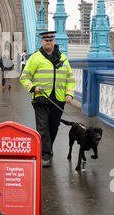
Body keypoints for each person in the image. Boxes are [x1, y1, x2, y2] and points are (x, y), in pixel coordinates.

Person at [20, 31, 75, 167]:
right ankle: (45, 153)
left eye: (51, 40)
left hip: (59, 99)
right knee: (43, 126)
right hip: (41, 98)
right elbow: (24, 77)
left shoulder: (63, 58)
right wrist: (33, 88)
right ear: (42, 42)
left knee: (54, 126)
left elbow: (70, 79)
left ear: (54, 41)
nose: (48, 43)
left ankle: (48, 147)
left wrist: (69, 93)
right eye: (46, 40)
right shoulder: (35, 58)